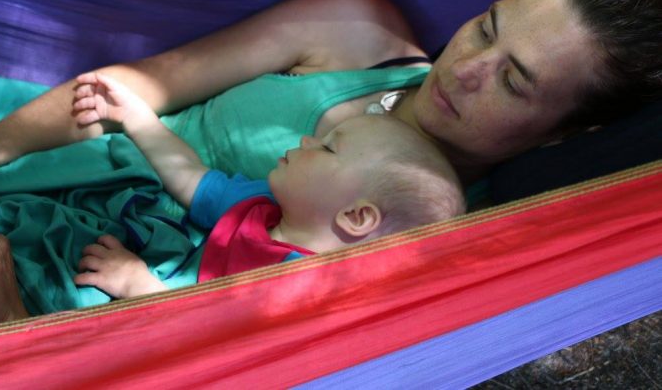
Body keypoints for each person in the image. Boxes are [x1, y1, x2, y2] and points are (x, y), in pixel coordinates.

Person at [0, 0, 661, 323]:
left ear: (575, 129)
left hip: (89, 307)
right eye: (485, 26)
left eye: (516, 80)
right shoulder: (356, 29)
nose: (465, 69)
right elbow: (144, 83)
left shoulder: (448, 249)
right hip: (50, 156)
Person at [69, 72, 464, 298]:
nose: (307, 140)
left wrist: (139, 286)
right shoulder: (263, 206)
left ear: (357, 215)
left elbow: (210, 338)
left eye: (327, 148)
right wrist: (136, 117)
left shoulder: (301, 290)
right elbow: (189, 176)